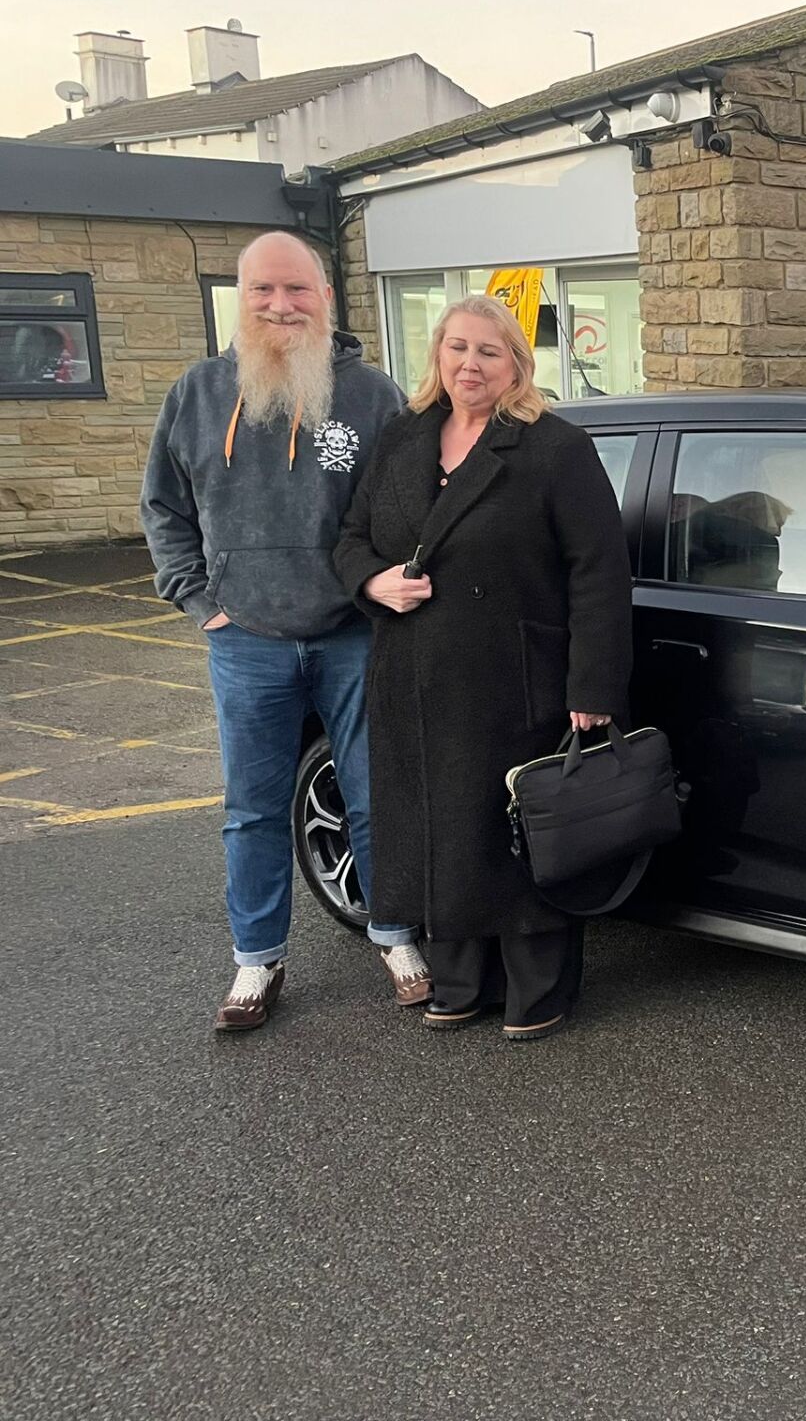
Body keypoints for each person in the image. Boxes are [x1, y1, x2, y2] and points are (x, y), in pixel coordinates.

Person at [141, 231, 429, 1031]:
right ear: (242, 299)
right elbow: (163, 509)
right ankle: (256, 959)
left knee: (378, 797)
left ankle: (396, 934)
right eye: (264, 290)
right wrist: (202, 601)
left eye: (297, 290)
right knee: (253, 809)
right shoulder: (197, 394)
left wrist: (382, 588)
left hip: (353, 636)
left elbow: (405, 510)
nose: (281, 305)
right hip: (247, 639)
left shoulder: (371, 394)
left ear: (325, 298)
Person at [332, 296, 631, 1040]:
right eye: (458, 348)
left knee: (515, 834)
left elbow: (599, 572)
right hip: (412, 672)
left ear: (517, 365)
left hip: (515, 674)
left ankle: (540, 991)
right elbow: (349, 538)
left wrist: (592, 686)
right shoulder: (403, 437)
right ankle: (460, 980)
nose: (471, 364)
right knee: (439, 832)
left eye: (489, 352)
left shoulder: (553, 447)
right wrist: (373, 581)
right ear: (437, 356)